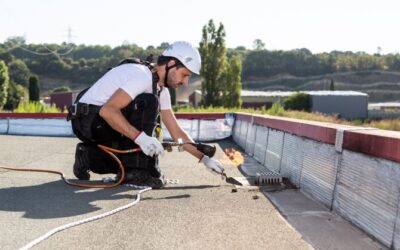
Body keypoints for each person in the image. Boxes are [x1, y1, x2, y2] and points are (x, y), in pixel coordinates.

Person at [68, 41, 225, 189]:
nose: (185, 82)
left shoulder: (160, 89)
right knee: (148, 102)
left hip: (100, 125)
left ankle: (87, 156)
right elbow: (108, 111)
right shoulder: (142, 76)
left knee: (123, 162)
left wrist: (204, 159)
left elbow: (176, 132)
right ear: (171, 64)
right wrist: (141, 139)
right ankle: (137, 171)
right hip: (88, 120)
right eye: (185, 75)